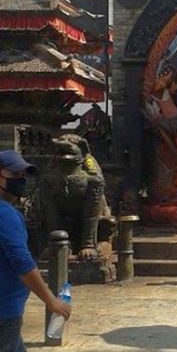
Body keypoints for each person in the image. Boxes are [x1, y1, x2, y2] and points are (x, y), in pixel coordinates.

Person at [0, 149, 71, 351]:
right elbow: (22, 263)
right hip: (5, 311)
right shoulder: (6, 215)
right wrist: (51, 301)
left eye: (23, 175)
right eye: (14, 175)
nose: (21, 180)